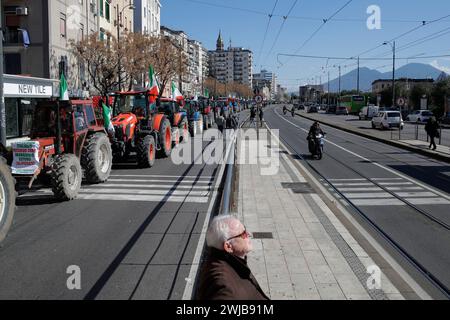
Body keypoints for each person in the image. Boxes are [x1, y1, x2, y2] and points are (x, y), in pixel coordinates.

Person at [196, 215, 269, 300]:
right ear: (228, 246)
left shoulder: (228, 260)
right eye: (243, 234)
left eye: (245, 230)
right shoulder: (224, 285)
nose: (248, 234)